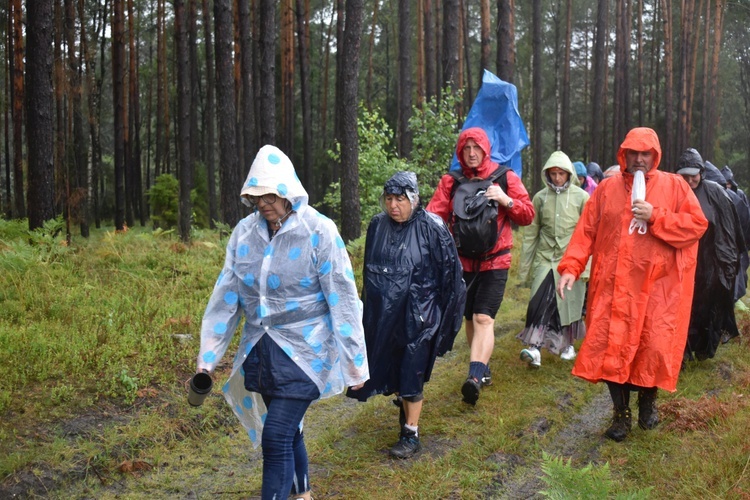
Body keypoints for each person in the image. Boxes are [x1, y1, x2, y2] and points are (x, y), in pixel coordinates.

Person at [195, 145, 369, 500]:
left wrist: (356, 367)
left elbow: (344, 299)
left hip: (309, 351)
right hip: (262, 352)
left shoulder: (319, 231)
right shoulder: (244, 235)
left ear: (287, 190)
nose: (263, 204)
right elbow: (226, 299)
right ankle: (302, 494)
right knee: (289, 433)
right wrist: (207, 360)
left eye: (269, 195)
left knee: (274, 435)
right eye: (256, 197)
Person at [556, 128, 707, 442]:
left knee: (651, 348)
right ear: (623, 154)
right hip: (613, 287)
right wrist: (571, 267)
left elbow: (696, 225)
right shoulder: (607, 189)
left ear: (655, 155)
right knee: (612, 348)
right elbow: (586, 232)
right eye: (634, 153)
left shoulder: (675, 186)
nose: (640, 159)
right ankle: (620, 414)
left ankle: (648, 403)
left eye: (646, 153)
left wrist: (657, 216)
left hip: (657, 289)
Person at [348, 172, 465, 459]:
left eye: (399, 199)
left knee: (412, 372)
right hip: (386, 312)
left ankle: (410, 434)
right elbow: (370, 271)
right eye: (388, 199)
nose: (393, 205)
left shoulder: (432, 228)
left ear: (413, 199)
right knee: (391, 366)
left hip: (420, 314)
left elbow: (451, 277)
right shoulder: (378, 225)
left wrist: (444, 321)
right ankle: (403, 407)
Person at [427, 127, 535, 405]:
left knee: (483, 318)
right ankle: (482, 367)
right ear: (460, 152)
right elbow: (433, 219)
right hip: (461, 263)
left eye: (477, 148)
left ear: (486, 150)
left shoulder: (504, 177)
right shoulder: (451, 181)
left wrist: (505, 200)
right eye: (467, 148)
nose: (472, 153)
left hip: (495, 260)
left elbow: (527, 214)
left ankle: (474, 377)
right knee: (469, 318)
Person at [517, 151, 589, 368]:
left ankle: (567, 344)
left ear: (569, 174)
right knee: (540, 300)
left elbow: (589, 233)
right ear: (547, 174)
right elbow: (531, 234)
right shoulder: (540, 198)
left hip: (572, 259)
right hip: (545, 257)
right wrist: (524, 270)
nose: (557, 177)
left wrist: (586, 269)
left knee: (567, 303)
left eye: (561, 173)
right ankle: (534, 348)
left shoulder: (582, 198)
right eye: (553, 173)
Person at [676, 149, 743, 361]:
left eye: (693, 175)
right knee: (683, 305)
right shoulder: (676, 191)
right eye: (684, 175)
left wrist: (727, 263)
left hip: (711, 260)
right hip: (684, 258)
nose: (689, 180)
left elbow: (727, 229)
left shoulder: (714, 192)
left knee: (708, 306)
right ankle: (683, 349)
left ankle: (705, 347)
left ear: (701, 172)